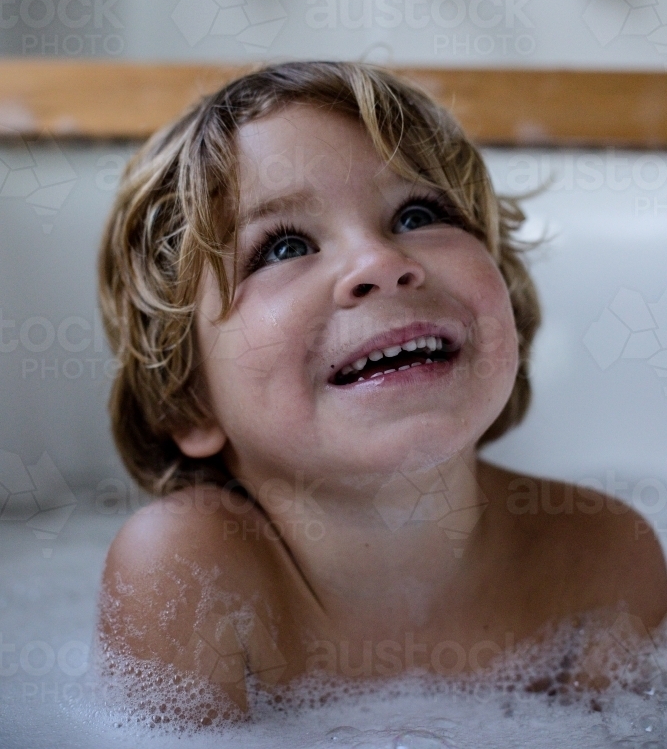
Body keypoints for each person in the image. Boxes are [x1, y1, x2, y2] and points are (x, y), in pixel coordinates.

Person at [96, 61, 667, 721]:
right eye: (282, 247)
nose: (380, 264)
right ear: (187, 397)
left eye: (416, 213)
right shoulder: (188, 573)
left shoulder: (599, 559)